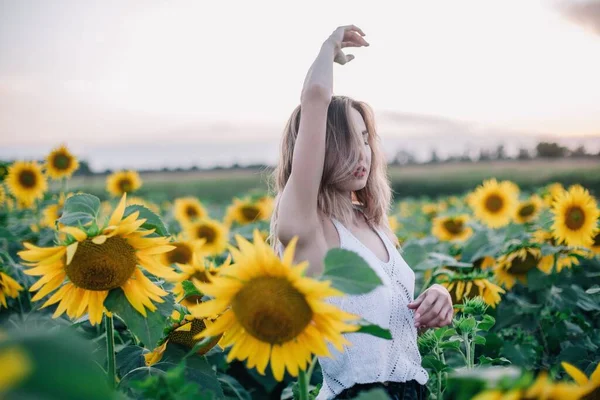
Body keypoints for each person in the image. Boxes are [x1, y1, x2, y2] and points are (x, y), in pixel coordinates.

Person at [269, 25, 454, 400]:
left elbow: (384, 331)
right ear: (316, 149)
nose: (363, 153)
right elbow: (316, 98)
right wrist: (327, 48)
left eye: (366, 139)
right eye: (347, 141)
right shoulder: (308, 230)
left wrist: (436, 297)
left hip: (413, 391)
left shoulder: (371, 223)